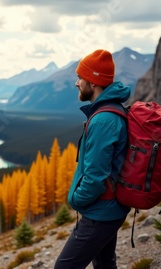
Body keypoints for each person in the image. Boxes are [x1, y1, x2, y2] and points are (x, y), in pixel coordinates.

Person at [54, 49, 131, 269]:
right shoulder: (109, 112)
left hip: (100, 213)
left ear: (94, 82)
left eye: (80, 78)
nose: (77, 83)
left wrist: (76, 200)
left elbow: (96, 176)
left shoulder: (103, 121)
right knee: (105, 264)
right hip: (109, 209)